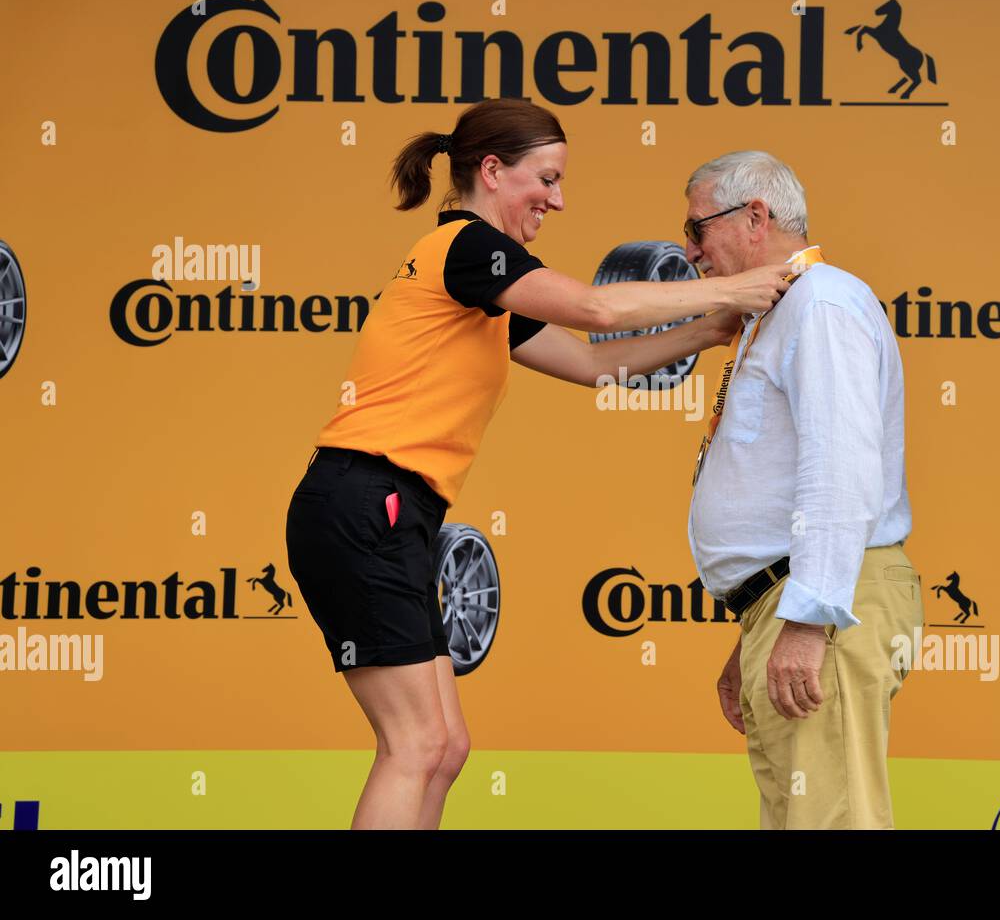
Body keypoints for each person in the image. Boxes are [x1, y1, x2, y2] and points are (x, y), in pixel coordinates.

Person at [285, 98, 796, 829]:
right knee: (415, 742)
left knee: (444, 746)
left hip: (390, 512)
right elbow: (592, 308)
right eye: (546, 179)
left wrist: (712, 329)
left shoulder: (483, 287)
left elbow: (595, 364)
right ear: (491, 172)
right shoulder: (465, 247)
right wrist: (731, 286)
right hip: (364, 501)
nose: (558, 199)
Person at [685, 150, 922, 829]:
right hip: (795, 601)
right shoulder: (781, 309)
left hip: (825, 606)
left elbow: (841, 467)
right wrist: (762, 620)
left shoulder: (821, 302)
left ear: (755, 216)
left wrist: (810, 616)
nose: (690, 249)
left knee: (831, 819)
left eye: (697, 227)